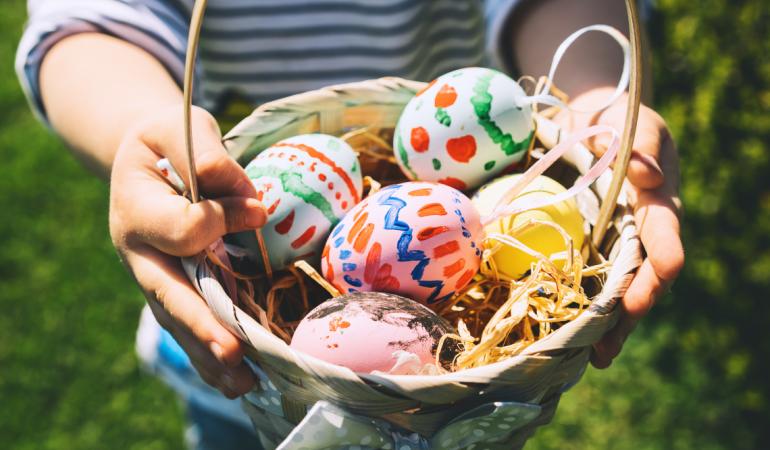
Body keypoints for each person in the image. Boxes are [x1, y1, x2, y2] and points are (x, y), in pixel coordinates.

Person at [16, 0, 683, 448]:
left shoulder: (464, 213)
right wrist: (143, 130)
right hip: (244, 370)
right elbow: (88, 21)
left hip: (459, 405)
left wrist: (593, 103)